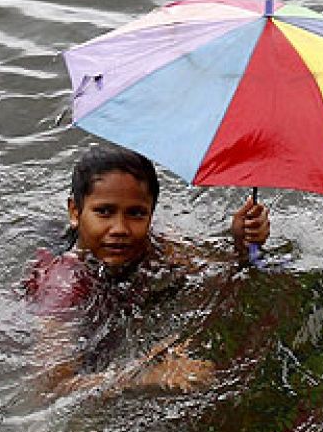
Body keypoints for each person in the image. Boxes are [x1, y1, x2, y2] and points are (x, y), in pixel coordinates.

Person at [24, 145, 269, 397]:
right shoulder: (65, 285)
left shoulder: (158, 245)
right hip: (83, 337)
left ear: (151, 213)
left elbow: (216, 269)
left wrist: (243, 245)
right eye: (104, 212)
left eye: (136, 214)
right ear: (75, 212)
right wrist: (145, 376)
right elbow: (51, 387)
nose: (120, 228)